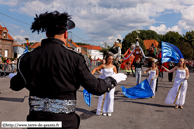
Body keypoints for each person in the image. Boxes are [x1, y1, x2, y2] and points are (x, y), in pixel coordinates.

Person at [10, 11, 118, 129]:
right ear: (66, 34)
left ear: (46, 34)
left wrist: (16, 77)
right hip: (65, 124)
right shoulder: (75, 58)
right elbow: (96, 87)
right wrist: (111, 80)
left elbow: (16, 86)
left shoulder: (27, 58)